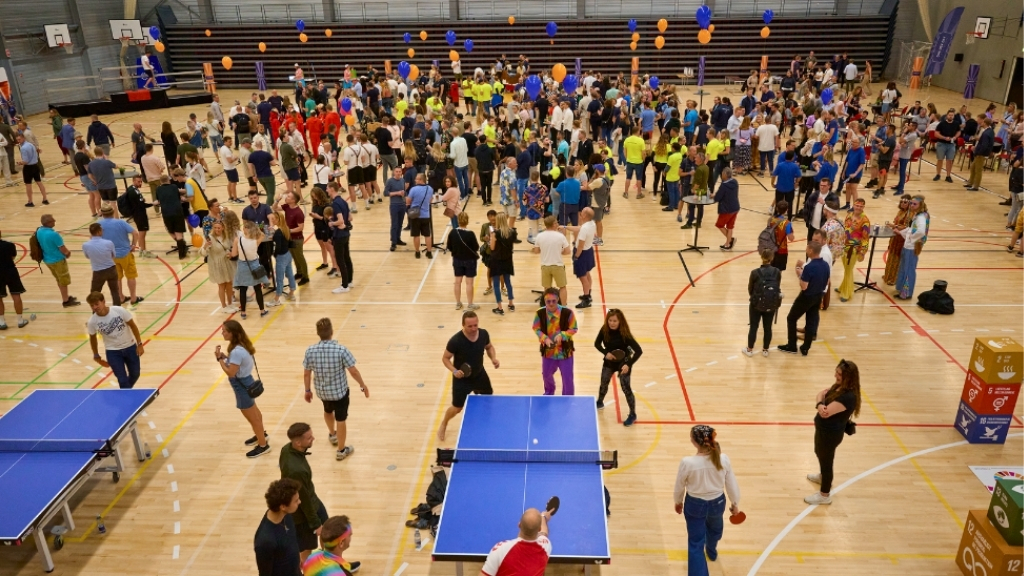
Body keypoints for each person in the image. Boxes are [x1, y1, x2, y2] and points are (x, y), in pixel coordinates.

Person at [673, 425, 742, 576]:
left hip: (694, 505)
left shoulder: (687, 462)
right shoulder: (723, 458)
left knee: (696, 543)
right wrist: (735, 503)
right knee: (715, 529)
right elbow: (731, 483)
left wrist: (678, 502)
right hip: (717, 503)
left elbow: (679, 485)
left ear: (693, 441)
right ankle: (711, 548)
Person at [303, 318, 369, 461]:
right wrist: (362, 385)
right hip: (340, 393)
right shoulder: (341, 350)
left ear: (318, 333)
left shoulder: (310, 350)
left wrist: (307, 390)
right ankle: (341, 450)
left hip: (322, 393)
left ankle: (332, 434)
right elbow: (354, 371)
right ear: (332, 332)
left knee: (327, 411)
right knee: (341, 419)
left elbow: (307, 373)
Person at [806, 360, 862, 505]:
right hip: (824, 431)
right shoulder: (839, 387)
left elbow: (825, 413)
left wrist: (819, 404)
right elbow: (821, 394)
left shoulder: (847, 397)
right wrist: (819, 403)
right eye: (836, 372)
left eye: (839, 374)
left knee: (826, 461)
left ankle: (824, 495)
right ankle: (823, 477)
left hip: (830, 434)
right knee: (819, 452)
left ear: (848, 377)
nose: (835, 376)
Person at [439, 311, 499, 440]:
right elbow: (445, 358)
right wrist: (454, 371)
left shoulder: (483, 334)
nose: (473, 328)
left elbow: (489, 347)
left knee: (487, 399)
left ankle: (482, 422)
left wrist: (493, 358)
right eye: (469, 326)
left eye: (475, 325)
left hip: (479, 375)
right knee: (457, 408)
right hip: (462, 380)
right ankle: (444, 423)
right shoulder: (456, 341)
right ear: (463, 325)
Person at [215, 320, 269, 457]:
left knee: (253, 418)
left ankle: (263, 445)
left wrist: (219, 359)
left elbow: (231, 372)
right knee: (255, 412)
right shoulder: (242, 346)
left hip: (241, 385)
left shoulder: (237, 351)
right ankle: (261, 434)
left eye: (224, 331)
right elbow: (237, 363)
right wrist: (226, 358)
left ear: (232, 333)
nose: (222, 333)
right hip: (247, 380)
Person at [279, 423, 329, 562]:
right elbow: (304, 500)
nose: (313, 438)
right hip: (302, 513)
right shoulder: (296, 471)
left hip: (313, 501)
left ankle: (329, 563)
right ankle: (304, 570)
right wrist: (315, 524)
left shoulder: (287, 449)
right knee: (307, 547)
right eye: (309, 438)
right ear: (298, 442)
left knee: (329, 533)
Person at [777, 241, 830, 356]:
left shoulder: (809, 267)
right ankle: (806, 347)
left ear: (811, 250)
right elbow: (827, 281)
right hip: (819, 295)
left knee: (791, 318)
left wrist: (799, 274)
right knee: (811, 320)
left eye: (807, 249)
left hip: (807, 296)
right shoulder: (825, 265)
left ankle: (791, 345)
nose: (806, 250)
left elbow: (804, 286)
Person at [594, 308, 642, 426]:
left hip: (623, 364)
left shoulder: (625, 334)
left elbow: (638, 351)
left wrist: (628, 364)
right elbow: (597, 343)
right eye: (610, 320)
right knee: (604, 383)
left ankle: (632, 414)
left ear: (620, 321)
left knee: (626, 389)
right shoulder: (604, 329)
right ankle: (599, 402)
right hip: (609, 362)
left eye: (615, 321)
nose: (612, 323)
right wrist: (606, 353)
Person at [86, 291, 144, 389]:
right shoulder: (92, 322)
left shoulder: (119, 311)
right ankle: (126, 401)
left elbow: (133, 326)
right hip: (113, 352)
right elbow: (93, 338)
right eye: (92, 305)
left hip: (130, 347)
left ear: (103, 302)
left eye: (97, 304)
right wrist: (96, 355)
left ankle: (125, 393)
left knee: (135, 374)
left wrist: (139, 344)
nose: (95, 307)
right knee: (122, 379)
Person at [481, 508, 554, 576]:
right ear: (539, 529)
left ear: (519, 524)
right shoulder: (545, 547)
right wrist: (543, 517)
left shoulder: (501, 550)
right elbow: (544, 533)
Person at [532, 287, 578, 396]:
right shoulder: (540, 313)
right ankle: (549, 392)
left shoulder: (568, 313)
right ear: (545, 300)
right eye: (548, 301)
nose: (551, 304)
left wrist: (563, 335)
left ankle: (568, 398)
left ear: (558, 299)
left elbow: (574, 328)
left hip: (565, 352)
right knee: (546, 374)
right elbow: (536, 328)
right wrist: (544, 338)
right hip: (548, 352)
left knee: (567, 378)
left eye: (554, 301)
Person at [254, 478, 302, 576]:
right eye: (296, 501)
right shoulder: (265, 541)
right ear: (283, 506)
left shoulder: (286, 515)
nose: (299, 502)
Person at [98, 206, 142, 307]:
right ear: (113, 212)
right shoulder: (121, 223)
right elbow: (135, 233)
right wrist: (133, 245)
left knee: (117, 278)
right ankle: (133, 298)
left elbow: (95, 238)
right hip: (125, 253)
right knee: (131, 276)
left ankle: (120, 297)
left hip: (110, 256)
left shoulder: (99, 225)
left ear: (102, 213)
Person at [742, 248, 782, 358]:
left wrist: (756, 298)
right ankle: (765, 350)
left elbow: (750, 289)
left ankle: (749, 349)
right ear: (772, 258)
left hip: (756, 304)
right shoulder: (777, 272)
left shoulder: (755, 273)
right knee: (768, 327)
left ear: (761, 257)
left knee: (754, 327)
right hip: (771, 304)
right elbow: (777, 286)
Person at [36, 214, 81, 307]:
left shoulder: (39, 231)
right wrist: (68, 253)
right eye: (53, 220)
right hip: (58, 260)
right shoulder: (53, 234)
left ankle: (66, 297)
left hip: (47, 260)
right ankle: (66, 301)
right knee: (63, 280)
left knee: (58, 279)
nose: (55, 221)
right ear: (48, 223)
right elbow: (63, 249)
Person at [893, 195, 929, 300]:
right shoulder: (919, 215)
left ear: (920, 205)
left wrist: (910, 238)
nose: (912, 205)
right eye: (911, 203)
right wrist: (901, 232)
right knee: (905, 268)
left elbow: (921, 232)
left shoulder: (921, 218)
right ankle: (902, 290)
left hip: (911, 247)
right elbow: (911, 228)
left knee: (908, 269)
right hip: (909, 245)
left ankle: (906, 293)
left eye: (915, 204)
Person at [233, 220, 270, 319]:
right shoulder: (256, 240)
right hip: (254, 265)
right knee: (258, 289)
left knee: (243, 290)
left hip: (242, 266)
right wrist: (256, 228)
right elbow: (262, 234)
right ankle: (262, 310)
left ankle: (243, 313)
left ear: (245, 229)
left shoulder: (238, 240)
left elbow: (234, 254)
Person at [532, 215, 570, 305]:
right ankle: (563, 306)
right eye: (556, 222)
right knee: (562, 287)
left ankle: (548, 306)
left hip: (545, 266)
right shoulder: (560, 236)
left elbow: (536, 251)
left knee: (547, 288)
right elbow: (567, 251)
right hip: (558, 266)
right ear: (553, 224)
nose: (558, 224)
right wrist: (560, 251)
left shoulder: (539, 236)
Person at [837, 198, 870, 302]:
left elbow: (865, 238)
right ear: (854, 205)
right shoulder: (849, 215)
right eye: (857, 205)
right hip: (845, 246)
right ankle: (843, 287)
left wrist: (863, 252)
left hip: (854, 248)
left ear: (863, 207)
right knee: (846, 268)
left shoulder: (865, 221)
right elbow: (845, 229)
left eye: (861, 206)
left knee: (848, 269)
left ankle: (846, 293)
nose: (858, 208)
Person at [82, 222, 121, 305]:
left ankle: (95, 312)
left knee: (94, 293)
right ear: (99, 231)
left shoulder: (85, 245)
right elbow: (113, 255)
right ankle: (118, 309)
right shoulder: (108, 243)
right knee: (115, 292)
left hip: (98, 272)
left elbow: (87, 256)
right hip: (111, 269)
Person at [447, 212, 480, 310]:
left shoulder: (453, 232)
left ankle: (458, 303)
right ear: (467, 221)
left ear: (458, 220)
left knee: (457, 282)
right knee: (469, 283)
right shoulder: (470, 234)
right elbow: (476, 247)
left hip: (457, 259)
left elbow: (449, 246)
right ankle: (470, 304)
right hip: (470, 260)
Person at [488, 212, 518, 314]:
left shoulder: (495, 233)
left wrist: (491, 238)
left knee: (496, 284)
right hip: (508, 260)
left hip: (496, 261)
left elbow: (492, 248)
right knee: (508, 282)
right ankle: (511, 304)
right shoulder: (512, 232)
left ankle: (500, 308)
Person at [207, 219, 239, 312]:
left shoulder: (226, 236)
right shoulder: (210, 238)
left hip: (227, 263)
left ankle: (230, 304)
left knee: (229, 284)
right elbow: (203, 252)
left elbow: (228, 247)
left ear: (223, 228)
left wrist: (229, 253)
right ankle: (224, 306)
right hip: (217, 264)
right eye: (215, 228)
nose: (217, 230)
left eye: (219, 228)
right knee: (221, 285)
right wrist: (205, 247)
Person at [267, 211, 297, 307]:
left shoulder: (278, 233)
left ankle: (276, 299)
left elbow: (278, 247)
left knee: (279, 279)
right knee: (290, 274)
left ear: (278, 219)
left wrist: (274, 255)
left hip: (281, 257)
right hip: (288, 254)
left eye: (273, 219)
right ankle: (292, 293)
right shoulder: (286, 229)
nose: (272, 220)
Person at [155, 174, 189, 259]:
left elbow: (158, 201)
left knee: (169, 229)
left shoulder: (158, 189)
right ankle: (182, 253)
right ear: (168, 180)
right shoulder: (174, 187)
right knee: (179, 232)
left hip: (166, 213)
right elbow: (179, 195)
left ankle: (182, 245)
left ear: (160, 182)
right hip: (177, 211)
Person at [0, 229, 28, 329]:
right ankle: (20, 320)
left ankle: (2, 322)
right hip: (10, 272)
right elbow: (12, 257)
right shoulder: (9, 245)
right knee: (16, 295)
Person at [881, 196, 912, 286]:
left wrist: (894, 226)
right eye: (901, 202)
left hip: (901, 238)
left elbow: (906, 227)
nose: (902, 204)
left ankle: (894, 279)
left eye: (905, 202)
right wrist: (892, 225)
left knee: (897, 259)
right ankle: (888, 275)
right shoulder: (900, 211)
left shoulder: (909, 214)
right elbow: (897, 223)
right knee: (891, 256)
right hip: (895, 237)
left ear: (909, 204)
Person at [406, 173, 434, 259]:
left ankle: (417, 252)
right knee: (427, 235)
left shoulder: (413, 189)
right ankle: (429, 252)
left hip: (415, 215)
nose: (415, 180)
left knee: (416, 235)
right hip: (426, 215)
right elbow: (430, 200)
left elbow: (408, 201)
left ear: (421, 180)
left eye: (417, 179)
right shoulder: (430, 188)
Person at [16, 133, 48, 207]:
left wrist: (20, 162)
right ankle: (45, 199)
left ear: (23, 138)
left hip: (28, 168)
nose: (18, 141)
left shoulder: (23, 148)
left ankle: (30, 201)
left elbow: (26, 161)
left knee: (28, 185)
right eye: (17, 139)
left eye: (19, 139)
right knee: (39, 182)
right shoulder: (31, 145)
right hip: (35, 166)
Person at [713, 168, 740, 251]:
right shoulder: (735, 182)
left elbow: (717, 198)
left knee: (719, 225)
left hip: (726, 209)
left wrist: (714, 196)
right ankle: (727, 244)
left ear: (725, 175)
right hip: (735, 207)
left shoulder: (724, 185)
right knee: (730, 226)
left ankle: (730, 240)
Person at [932, 108, 960, 184]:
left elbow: (959, 132)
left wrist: (955, 137)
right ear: (947, 115)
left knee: (949, 160)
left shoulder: (956, 124)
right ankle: (938, 174)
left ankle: (948, 176)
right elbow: (936, 133)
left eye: (952, 115)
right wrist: (944, 138)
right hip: (942, 144)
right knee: (940, 159)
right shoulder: (942, 123)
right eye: (949, 115)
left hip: (951, 144)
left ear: (954, 116)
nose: (951, 116)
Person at [967, 117, 995, 191]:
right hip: (981, 152)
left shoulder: (986, 133)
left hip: (981, 153)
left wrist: (978, 152)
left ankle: (975, 186)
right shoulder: (990, 131)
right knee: (973, 167)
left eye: (983, 122)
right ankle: (970, 183)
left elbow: (984, 145)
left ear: (985, 123)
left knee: (978, 170)